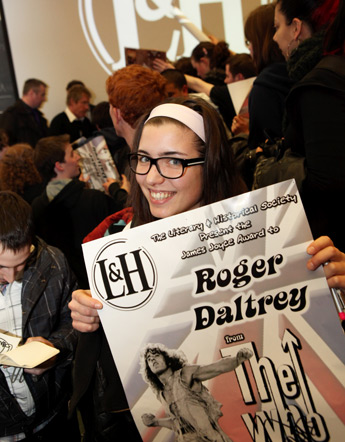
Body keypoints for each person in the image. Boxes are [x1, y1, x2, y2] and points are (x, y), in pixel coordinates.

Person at [0, 191, 80, 441]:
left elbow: (74, 322)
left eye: (21, 264)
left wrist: (54, 349)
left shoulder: (52, 262)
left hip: (53, 416)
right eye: (1, 266)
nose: (12, 277)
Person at [272, 0, 345, 252]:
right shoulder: (328, 71)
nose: (273, 36)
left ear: (296, 28)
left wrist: (277, 170)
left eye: (277, 26)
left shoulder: (319, 83)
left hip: (331, 244)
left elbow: (326, 181)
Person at [32, 135, 118, 288]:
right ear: (59, 166)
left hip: (64, 290)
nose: (78, 157)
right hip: (107, 282)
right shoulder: (94, 199)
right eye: (72, 154)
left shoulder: (36, 207)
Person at [140, 343, 252, 441]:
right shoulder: (162, 395)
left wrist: (237, 359)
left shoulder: (185, 375)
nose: (153, 360)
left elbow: (216, 368)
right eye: (149, 359)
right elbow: (180, 424)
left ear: (168, 361)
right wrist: (155, 422)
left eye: (156, 356)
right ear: (149, 369)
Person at [232, 3, 293, 149]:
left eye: (250, 41)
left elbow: (264, 151)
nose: (249, 48)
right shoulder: (305, 69)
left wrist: (246, 134)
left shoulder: (265, 86)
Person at [0, 78, 48, 147]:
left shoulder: (39, 116)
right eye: (42, 95)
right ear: (32, 93)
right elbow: (4, 144)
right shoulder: (11, 115)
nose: (44, 99)